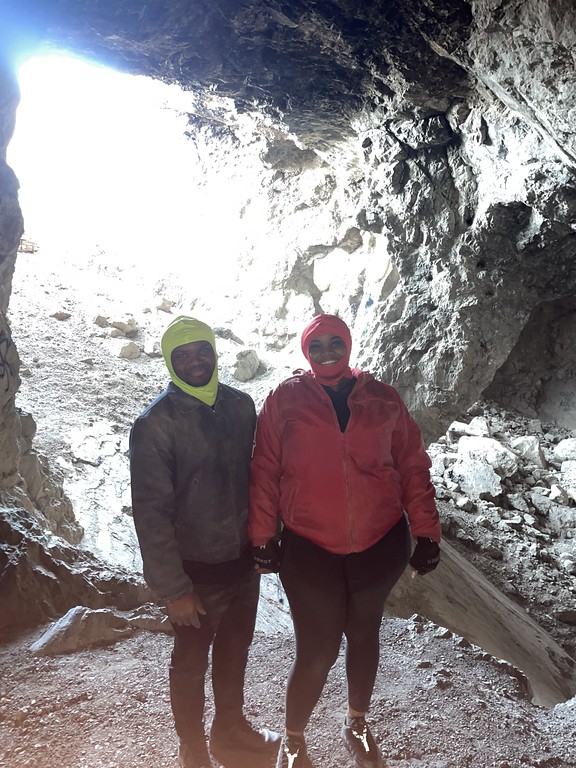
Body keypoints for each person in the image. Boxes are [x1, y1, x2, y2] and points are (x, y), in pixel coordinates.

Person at [249, 313, 441, 768]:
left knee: (364, 634)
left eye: (336, 343)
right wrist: (262, 536)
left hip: (380, 543)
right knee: (317, 650)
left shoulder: (382, 397)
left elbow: (412, 465)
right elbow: (265, 470)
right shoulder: (284, 399)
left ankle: (356, 723)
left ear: (349, 345)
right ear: (306, 351)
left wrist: (427, 531)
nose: (327, 352)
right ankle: (293, 740)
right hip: (309, 546)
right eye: (317, 346)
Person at [130, 315, 280, 768]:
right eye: (182, 355)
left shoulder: (240, 406)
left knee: (235, 650)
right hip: (194, 575)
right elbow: (151, 515)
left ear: (214, 352)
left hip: (242, 565)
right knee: (191, 662)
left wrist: (264, 543)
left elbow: (259, 480)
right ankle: (192, 747)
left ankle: (230, 729)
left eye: (202, 350)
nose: (195, 361)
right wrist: (174, 589)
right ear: (169, 362)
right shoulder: (155, 424)